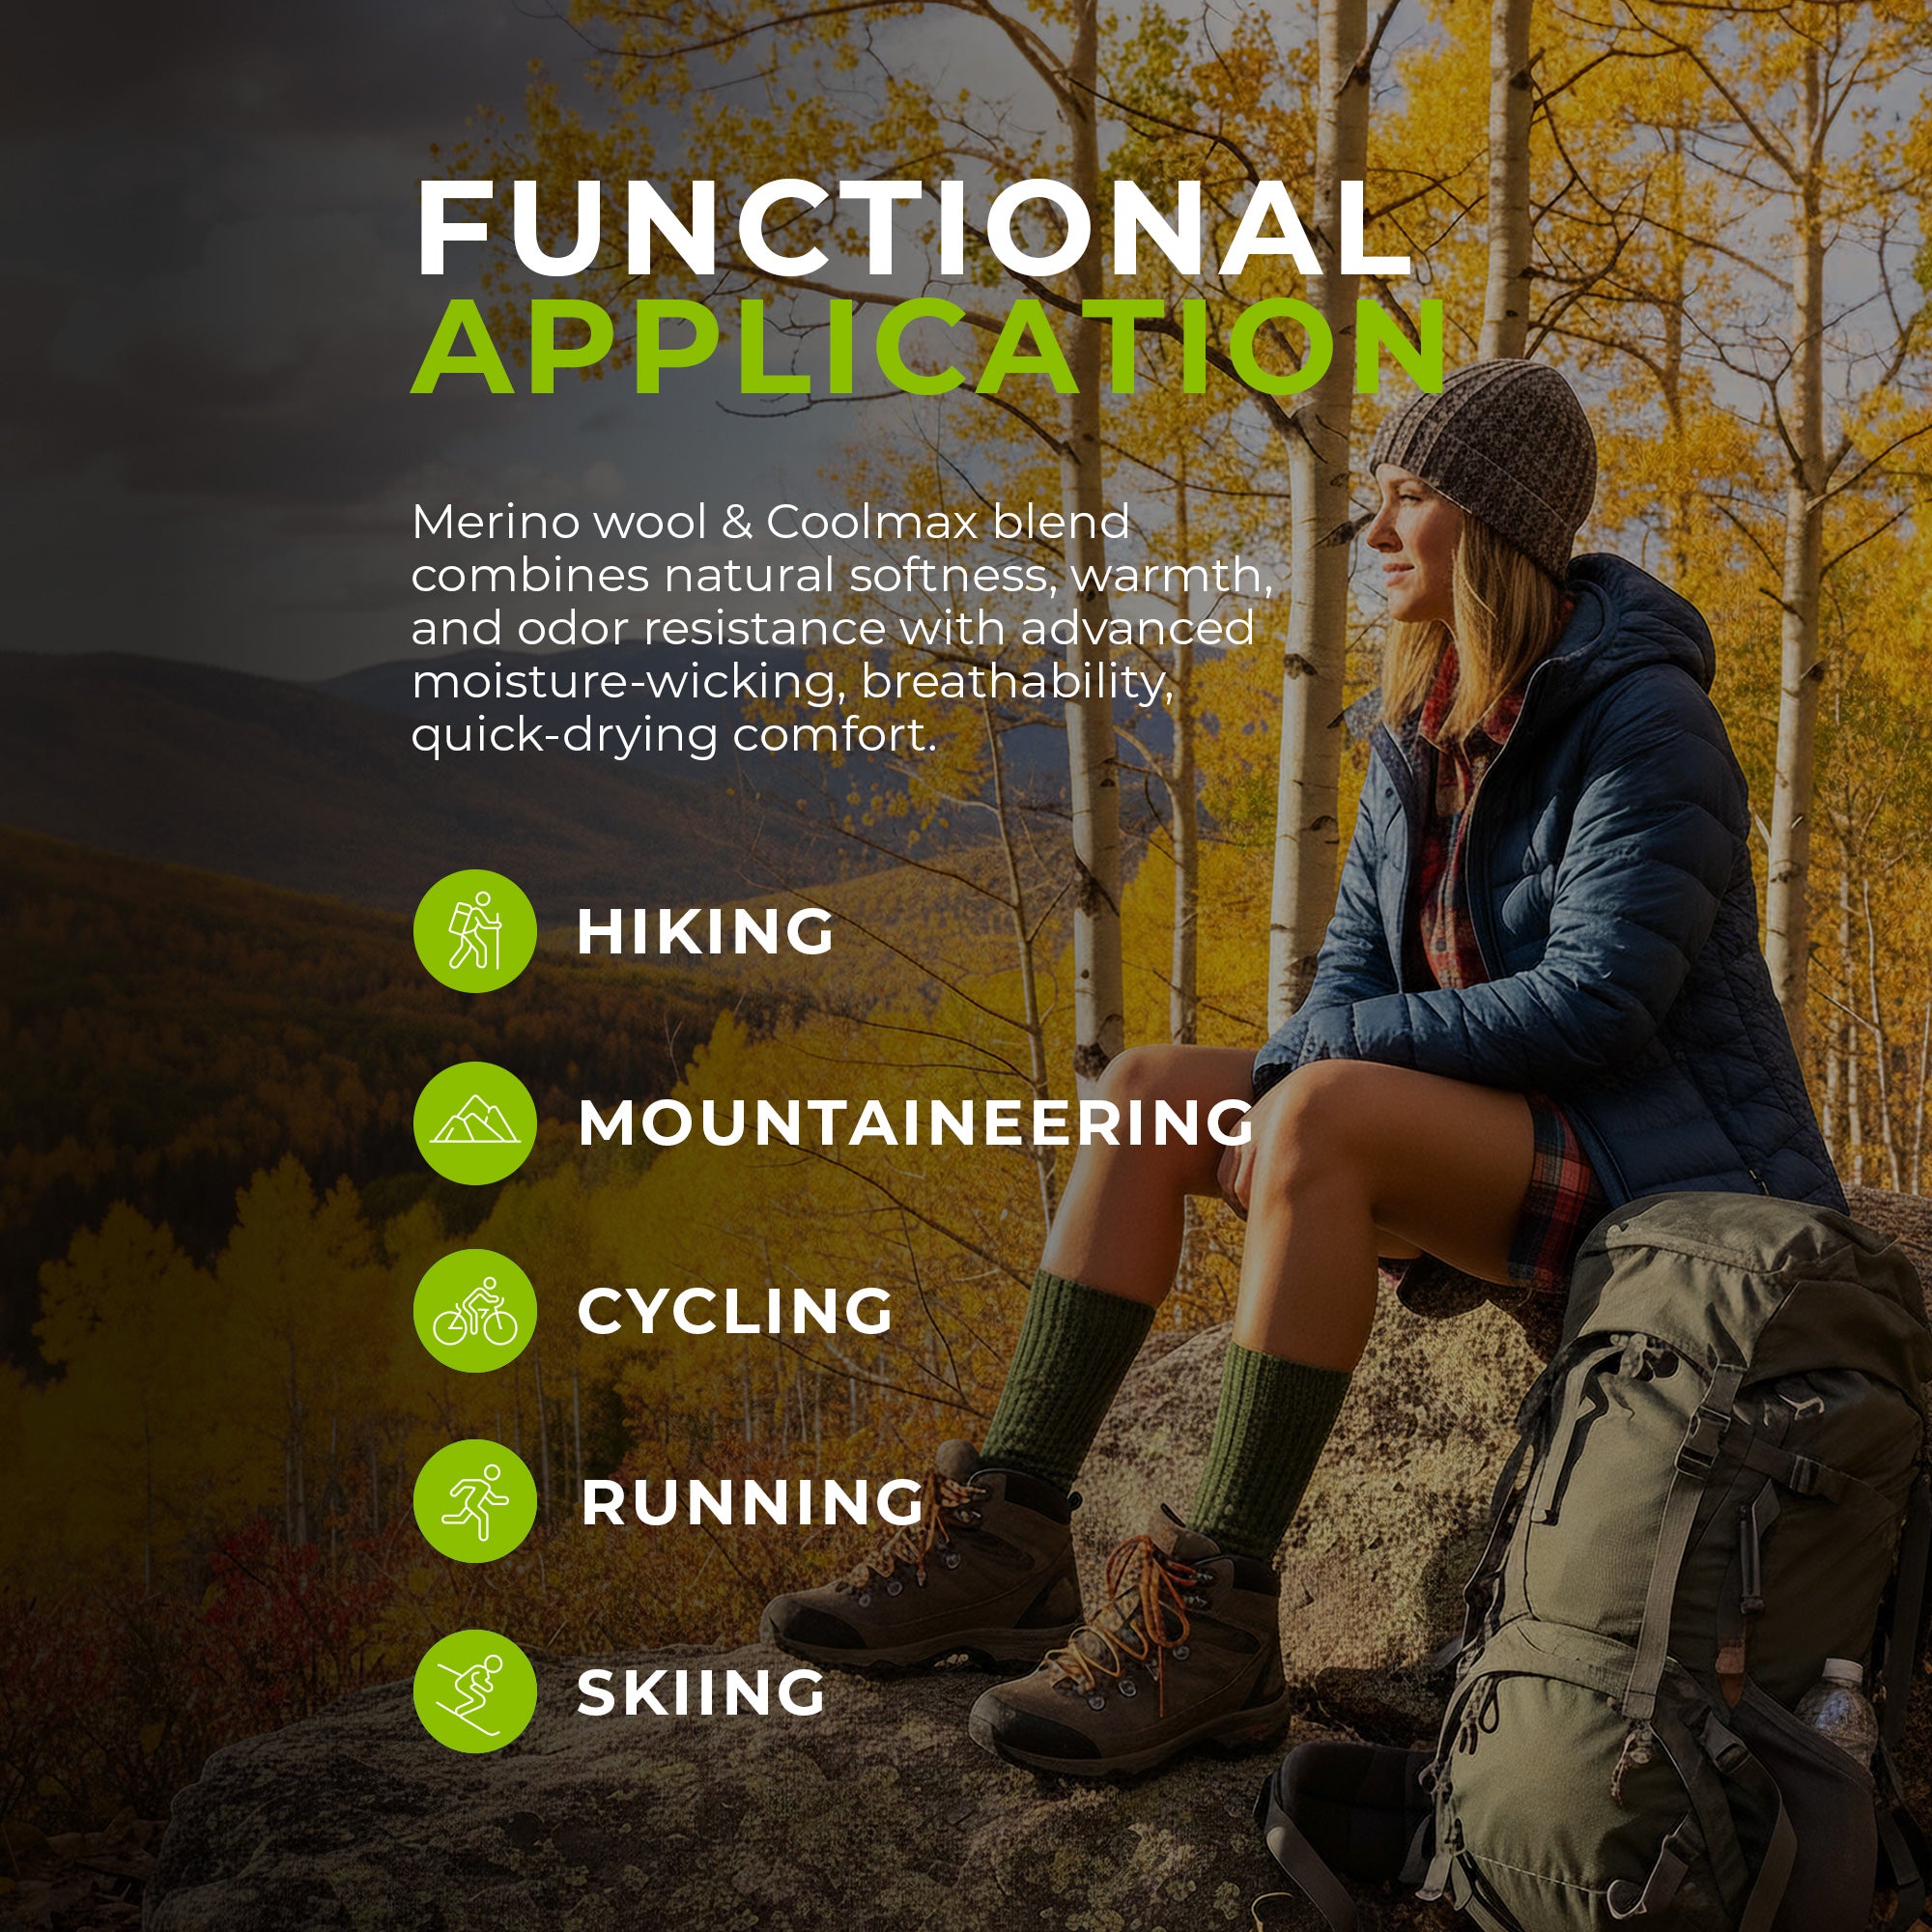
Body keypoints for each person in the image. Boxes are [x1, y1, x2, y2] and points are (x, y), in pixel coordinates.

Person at [760, 359, 1843, 1778]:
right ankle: (1012, 1540)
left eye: (1409, 500)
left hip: (1679, 1173)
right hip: (1519, 1129)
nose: (1375, 532)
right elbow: (1345, 981)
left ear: (1497, 528)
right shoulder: (1419, 728)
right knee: (1150, 1087)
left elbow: (1596, 1008)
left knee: (1319, 1106)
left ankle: (1217, 1624)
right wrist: (1294, 1066)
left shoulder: (1645, 720)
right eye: (1372, 500)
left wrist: (1306, 1082)